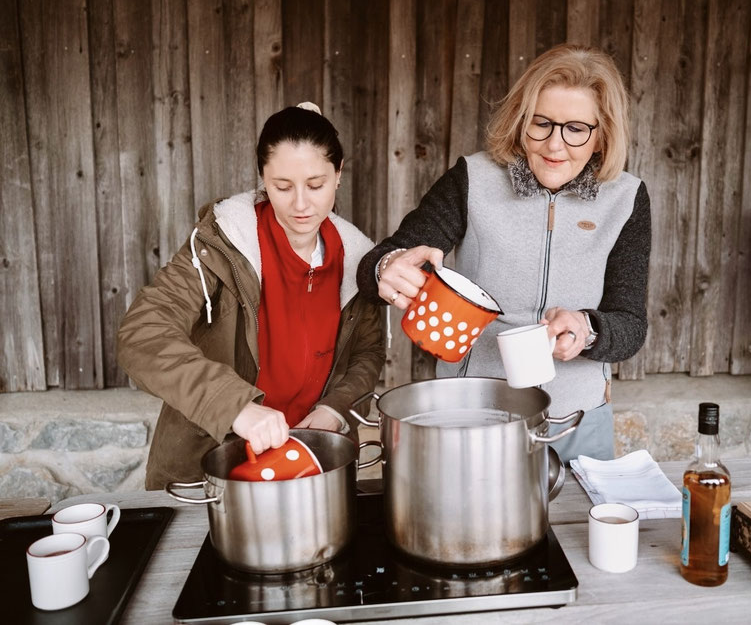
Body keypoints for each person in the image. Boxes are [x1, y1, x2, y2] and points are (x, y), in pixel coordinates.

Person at [356, 44, 651, 462]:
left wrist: (586, 329)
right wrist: (386, 267)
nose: (555, 145)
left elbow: (631, 324)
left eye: (575, 129)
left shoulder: (626, 198)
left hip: (577, 420)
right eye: (541, 123)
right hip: (473, 414)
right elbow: (387, 258)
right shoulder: (473, 178)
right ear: (520, 119)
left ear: (601, 135)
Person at [119, 103, 386, 489]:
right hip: (210, 470)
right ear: (263, 177)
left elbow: (368, 353)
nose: (300, 204)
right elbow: (141, 335)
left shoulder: (359, 261)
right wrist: (235, 407)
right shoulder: (222, 244)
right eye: (282, 186)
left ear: (339, 174)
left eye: (315, 185)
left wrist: (336, 408)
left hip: (313, 467)